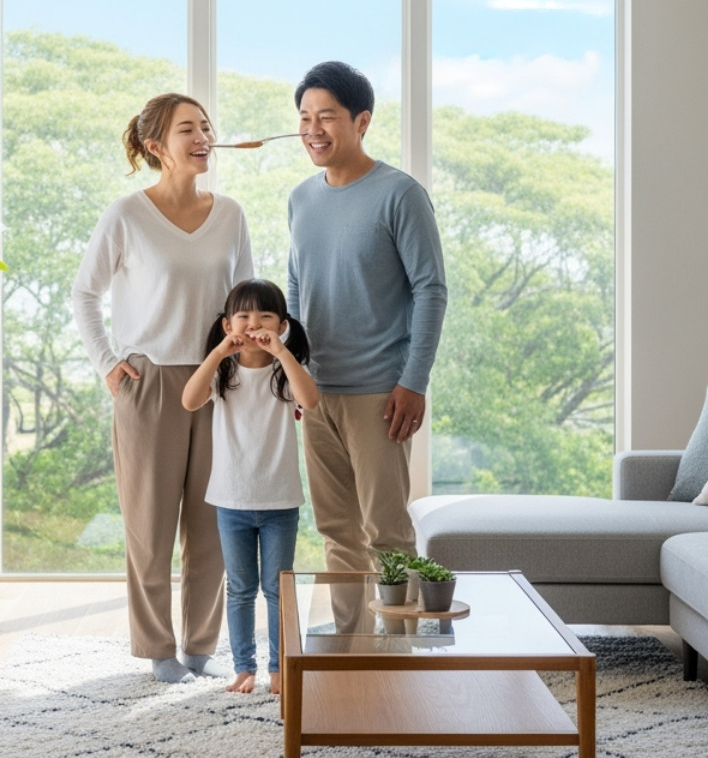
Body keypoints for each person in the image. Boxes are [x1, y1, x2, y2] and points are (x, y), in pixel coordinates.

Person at [72, 92, 254, 684]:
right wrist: (107, 364)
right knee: (149, 528)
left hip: (219, 382)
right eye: (187, 129)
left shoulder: (230, 214)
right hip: (148, 385)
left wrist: (256, 375)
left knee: (212, 528)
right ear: (157, 147)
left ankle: (202, 644)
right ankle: (156, 648)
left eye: (206, 126)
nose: (203, 136)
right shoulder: (126, 215)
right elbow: (85, 294)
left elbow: (246, 304)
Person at [287, 61, 448, 583]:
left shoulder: (400, 194)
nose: (313, 129)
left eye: (327, 117)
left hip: (379, 396)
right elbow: (296, 286)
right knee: (336, 533)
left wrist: (413, 381)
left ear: (362, 121)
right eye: (305, 117)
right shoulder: (301, 199)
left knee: (387, 534)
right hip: (315, 394)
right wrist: (292, 372)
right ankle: (350, 651)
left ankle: (400, 653)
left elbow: (431, 290)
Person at [181, 278, 319, 696]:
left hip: (280, 501)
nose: (253, 323)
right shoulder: (223, 369)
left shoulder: (285, 370)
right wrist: (219, 352)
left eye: (265, 316)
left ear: (283, 324)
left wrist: (282, 351)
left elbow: (310, 401)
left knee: (279, 590)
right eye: (243, 316)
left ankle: (280, 668)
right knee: (240, 590)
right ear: (228, 324)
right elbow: (189, 400)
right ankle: (244, 667)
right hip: (231, 500)